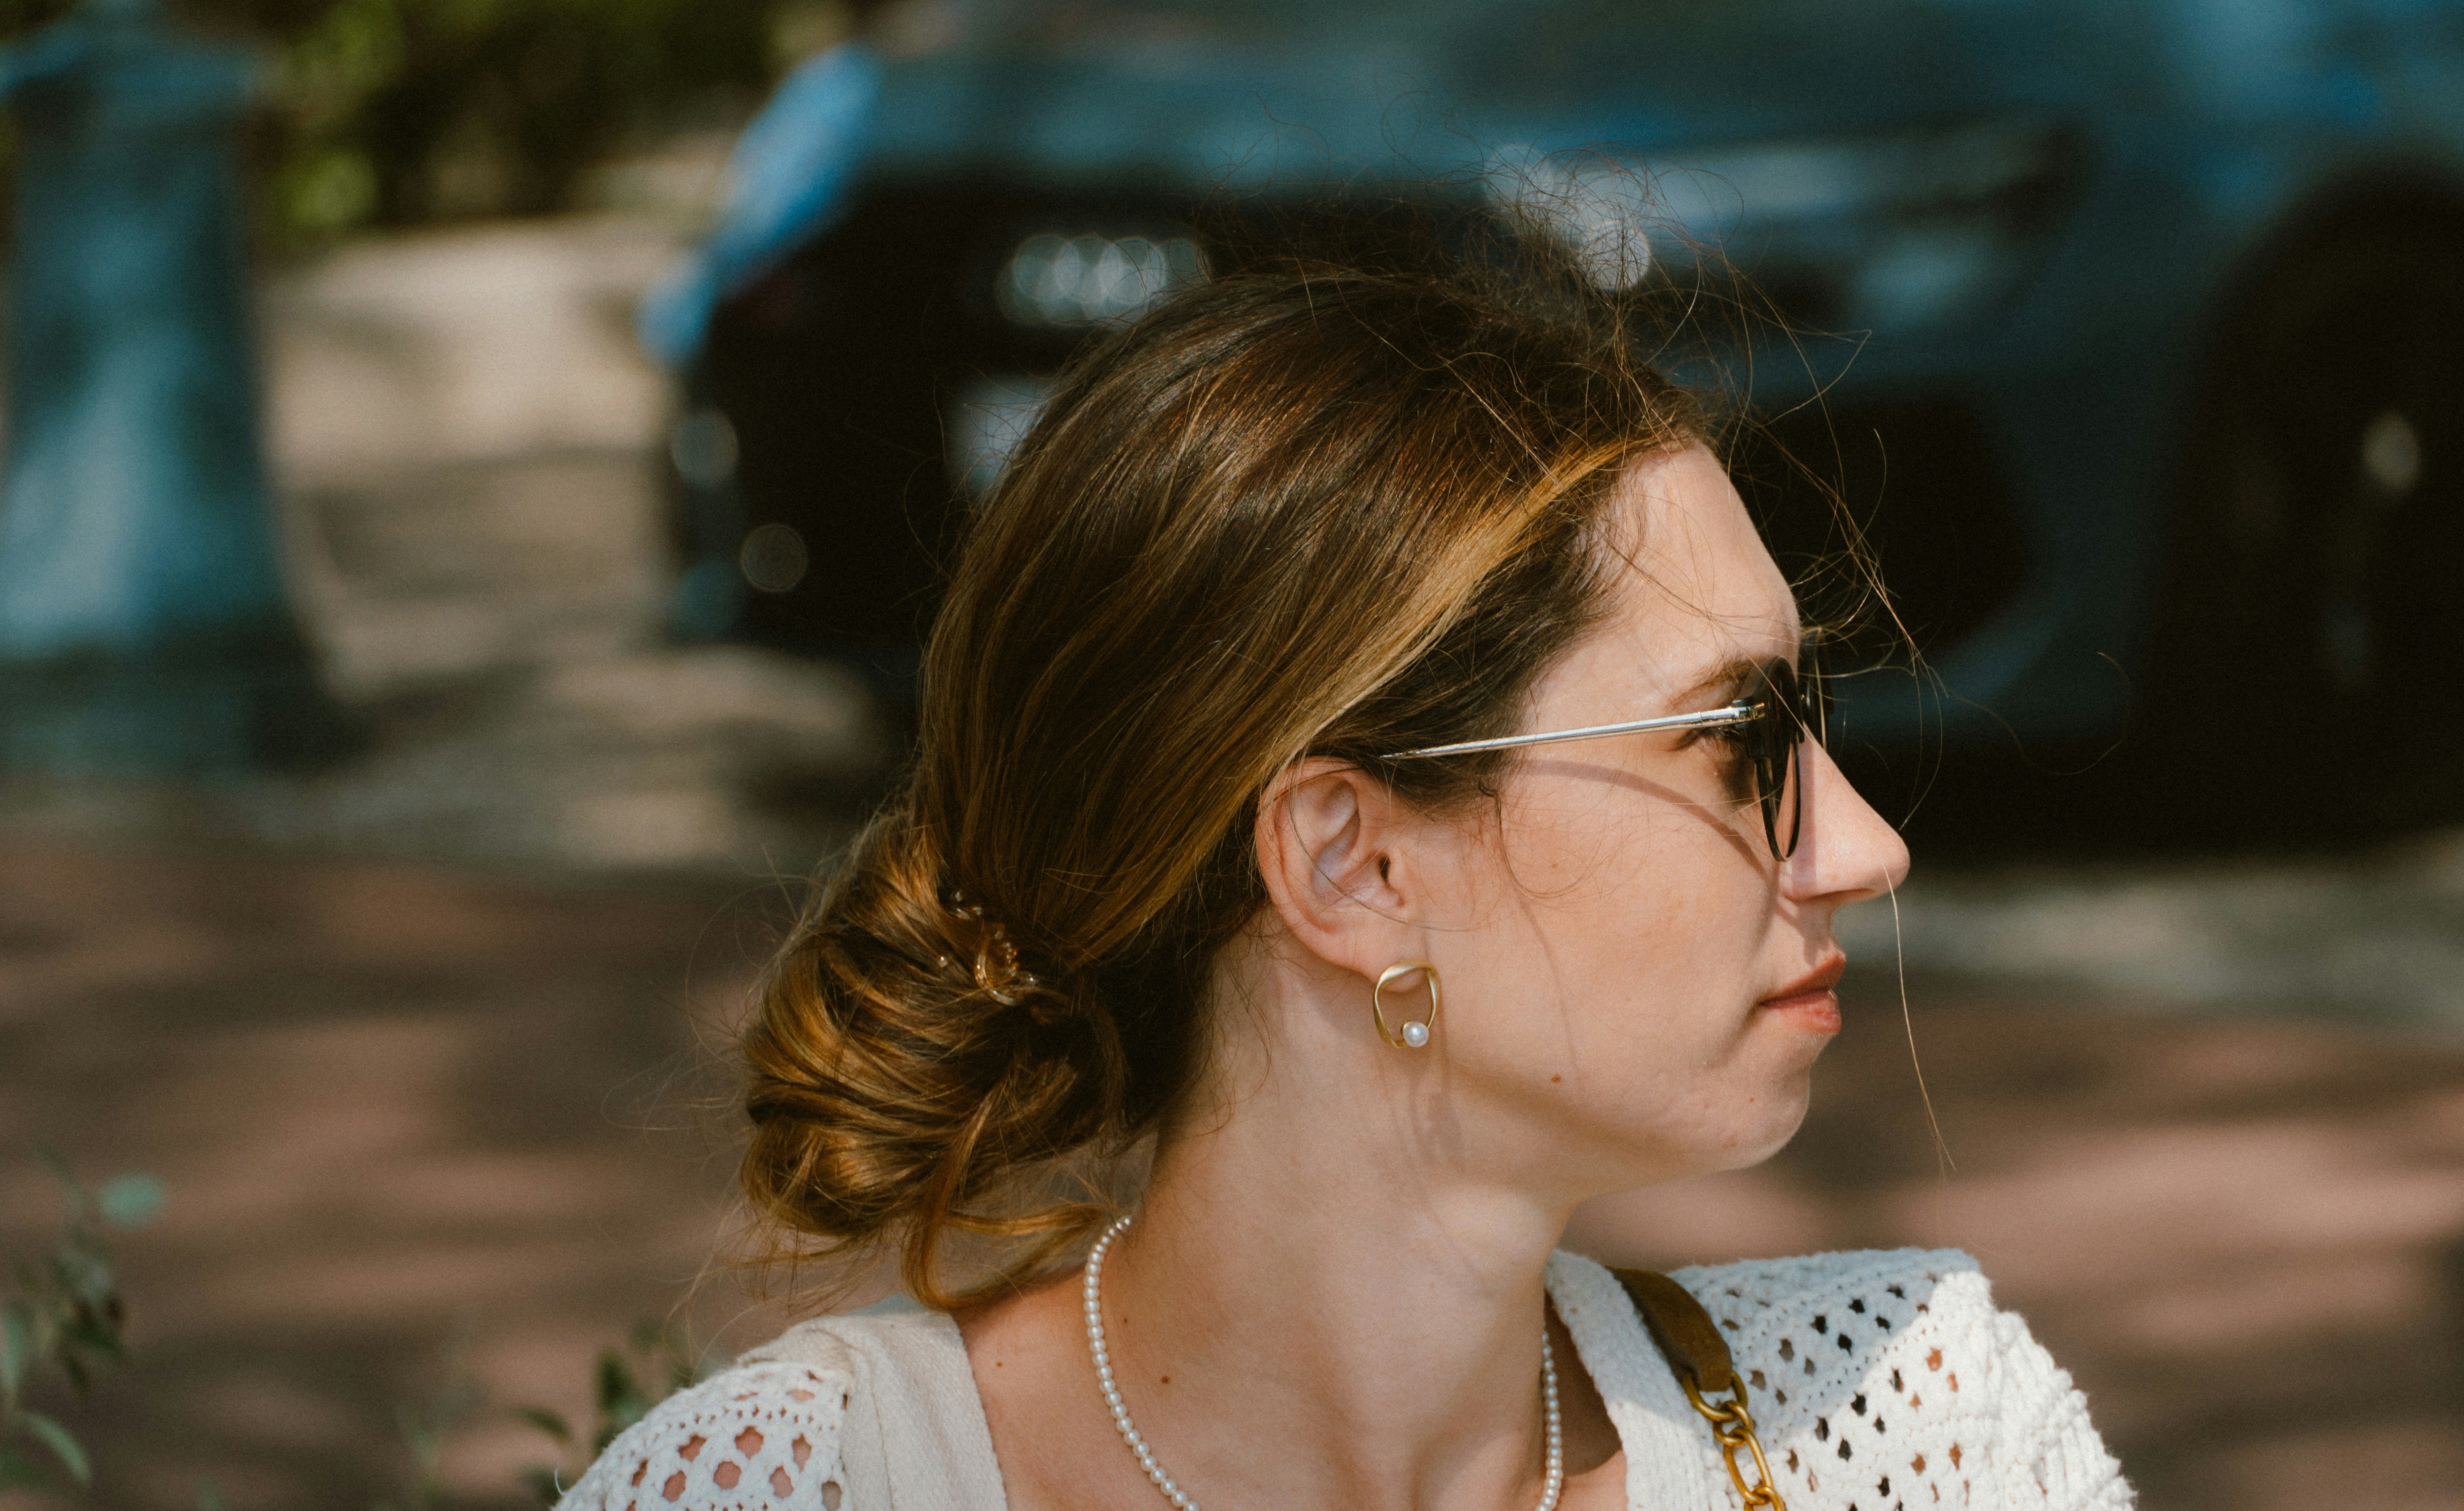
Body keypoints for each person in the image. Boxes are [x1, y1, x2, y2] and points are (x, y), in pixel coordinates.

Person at [563, 235, 2133, 1511]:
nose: (1866, 846)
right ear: (1353, 861)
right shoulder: (796, 1492)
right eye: (1744, 737)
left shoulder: (1919, 1433)